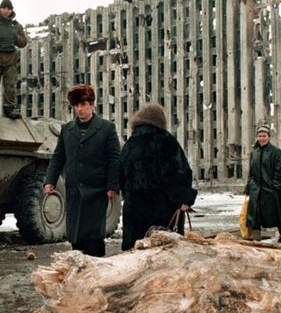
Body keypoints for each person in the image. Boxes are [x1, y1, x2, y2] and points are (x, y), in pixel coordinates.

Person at [43, 84, 119, 257]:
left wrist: (112, 185)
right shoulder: (67, 129)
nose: (80, 109)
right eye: (76, 105)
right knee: (76, 234)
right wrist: (50, 180)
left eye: (84, 104)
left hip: (97, 190)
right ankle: (77, 267)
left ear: (92, 105)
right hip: (75, 189)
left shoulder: (106, 128)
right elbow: (58, 157)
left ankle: (96, 269)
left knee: (93, 235)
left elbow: (114, 159)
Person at [118, 103, 197, 250]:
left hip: (135, 212)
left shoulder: (130, 144)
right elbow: (181, 172)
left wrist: (130, 195)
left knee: (136, 255)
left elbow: (121, 176)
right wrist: (185, 198)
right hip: (164, 209)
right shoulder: (167, 141)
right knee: (165, 256)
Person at [244, 125, 281, 242]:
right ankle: (256, 238)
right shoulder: (254, 152)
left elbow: (279, 171)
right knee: (255, 214)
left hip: (270, 188)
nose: (262, 138)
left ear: (269, 137)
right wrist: (249, 186)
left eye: (264, 136)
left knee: (275, 212)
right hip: (256, 188)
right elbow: (251, 171)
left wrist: (275, 186)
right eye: (260, 136)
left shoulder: (275, 151)